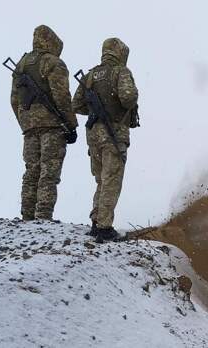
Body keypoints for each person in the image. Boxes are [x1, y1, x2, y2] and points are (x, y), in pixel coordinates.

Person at [72, 38, 139, 243]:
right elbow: (128, 97)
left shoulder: (91, 75)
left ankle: (96, 221)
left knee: (101, 179)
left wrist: (95, 111)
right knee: (112, 179)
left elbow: (76, 104)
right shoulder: (120, 72)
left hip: (93, 135)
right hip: (113, 132)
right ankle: (104, 227)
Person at [10, 25, 77, 221]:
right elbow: (62, 96)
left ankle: (27, 216)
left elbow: (14, 100)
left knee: (31, 171)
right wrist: (71, 124)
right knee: (49, 171)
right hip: (53, 126)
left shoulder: (21, 65)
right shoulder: (53, 62)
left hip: (30, 128)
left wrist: (26, 121)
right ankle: (43, 217)